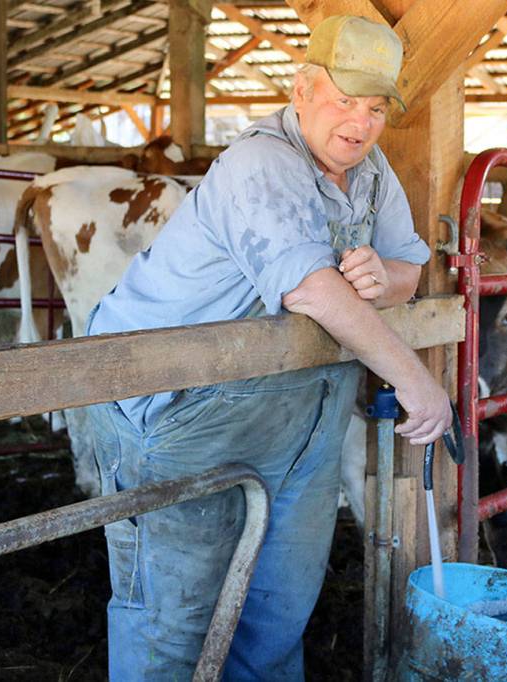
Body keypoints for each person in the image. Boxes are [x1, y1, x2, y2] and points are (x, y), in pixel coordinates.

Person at [85, 15, 451, 680]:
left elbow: (410, 270)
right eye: (344, 101)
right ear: (303, 89)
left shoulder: (368, 171)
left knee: (278, 612)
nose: (360, 124)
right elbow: (311, 291)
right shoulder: (260, 162)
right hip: (181, 409)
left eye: (374, 109)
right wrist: (415, 379)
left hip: (300, 411)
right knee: (175, 621)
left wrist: (384, 279)